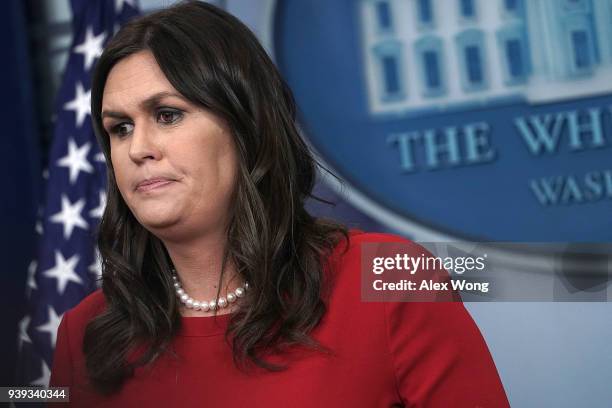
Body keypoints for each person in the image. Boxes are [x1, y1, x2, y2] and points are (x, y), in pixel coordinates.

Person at [49, 1, 510, 406]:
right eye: (120, 128)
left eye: (167, 115)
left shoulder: (388, 280)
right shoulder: (83, 334)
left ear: (245, 127)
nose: (137, 149)